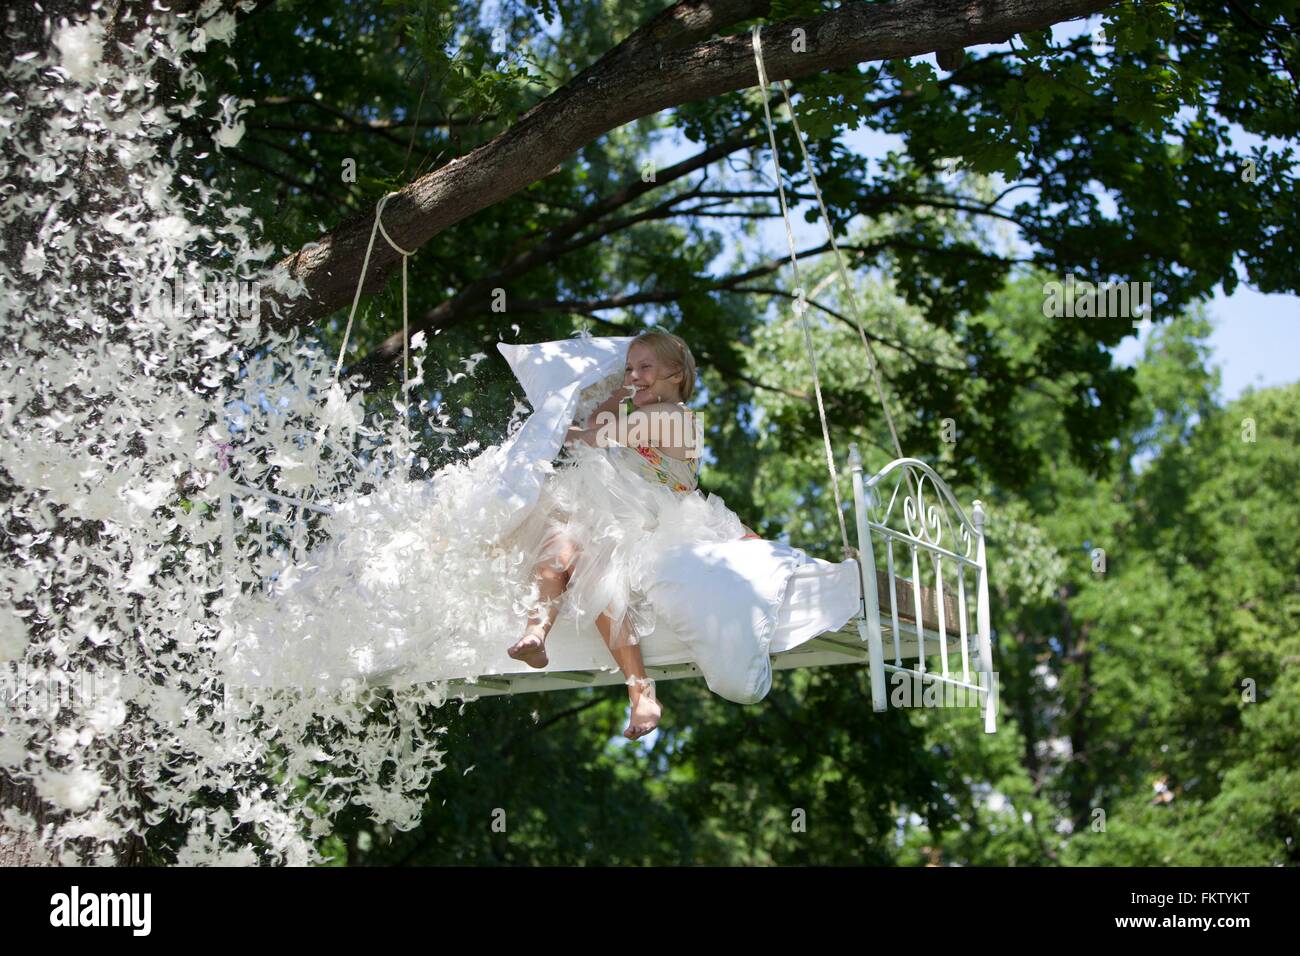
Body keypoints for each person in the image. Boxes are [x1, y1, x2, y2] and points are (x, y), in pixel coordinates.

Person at [501, 329, 761, 741]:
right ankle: (537, 630)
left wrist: (540, 436)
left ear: (675, 375)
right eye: (628, 368)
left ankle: (641, 691)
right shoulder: (637, 412)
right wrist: (625, 387)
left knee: (600, 563)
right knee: (560, 543)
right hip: (610, 508)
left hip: (651, 517)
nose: (634, 376)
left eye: (645, 368)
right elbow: (596, 426)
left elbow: (592, 435)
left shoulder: (674, 418)